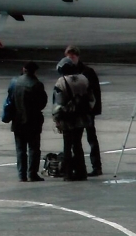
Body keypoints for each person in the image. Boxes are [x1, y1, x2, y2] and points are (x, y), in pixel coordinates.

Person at [52, 58, 94, 181]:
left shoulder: (61, 82)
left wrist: (56, 118)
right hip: (82, 117)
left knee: (67, 145)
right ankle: (82, 172)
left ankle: (68, 173)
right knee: (78, 144)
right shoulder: (84, 79)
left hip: (68, 118)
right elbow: (91, 98)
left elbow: (58, 103)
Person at [66, 45, 103, 177]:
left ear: (77, 57)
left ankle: (96, 166)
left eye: (72, 57)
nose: (70, 59)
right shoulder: (71, 71)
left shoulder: (87, 71)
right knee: (78, 140)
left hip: (87, 111)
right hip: (78, 111)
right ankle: (80, 166)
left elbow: (94, 92)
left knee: (90, 138)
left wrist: (94, 109)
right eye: (68, 57)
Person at [8, 61, 47, 182]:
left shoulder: (15, 82)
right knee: (34, 148)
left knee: (20, 149)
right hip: (32, 121)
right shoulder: (36, 84)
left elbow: (10, 99)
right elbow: (42, 103)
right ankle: (32, 173)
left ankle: (22, 174)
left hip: (18, 120)